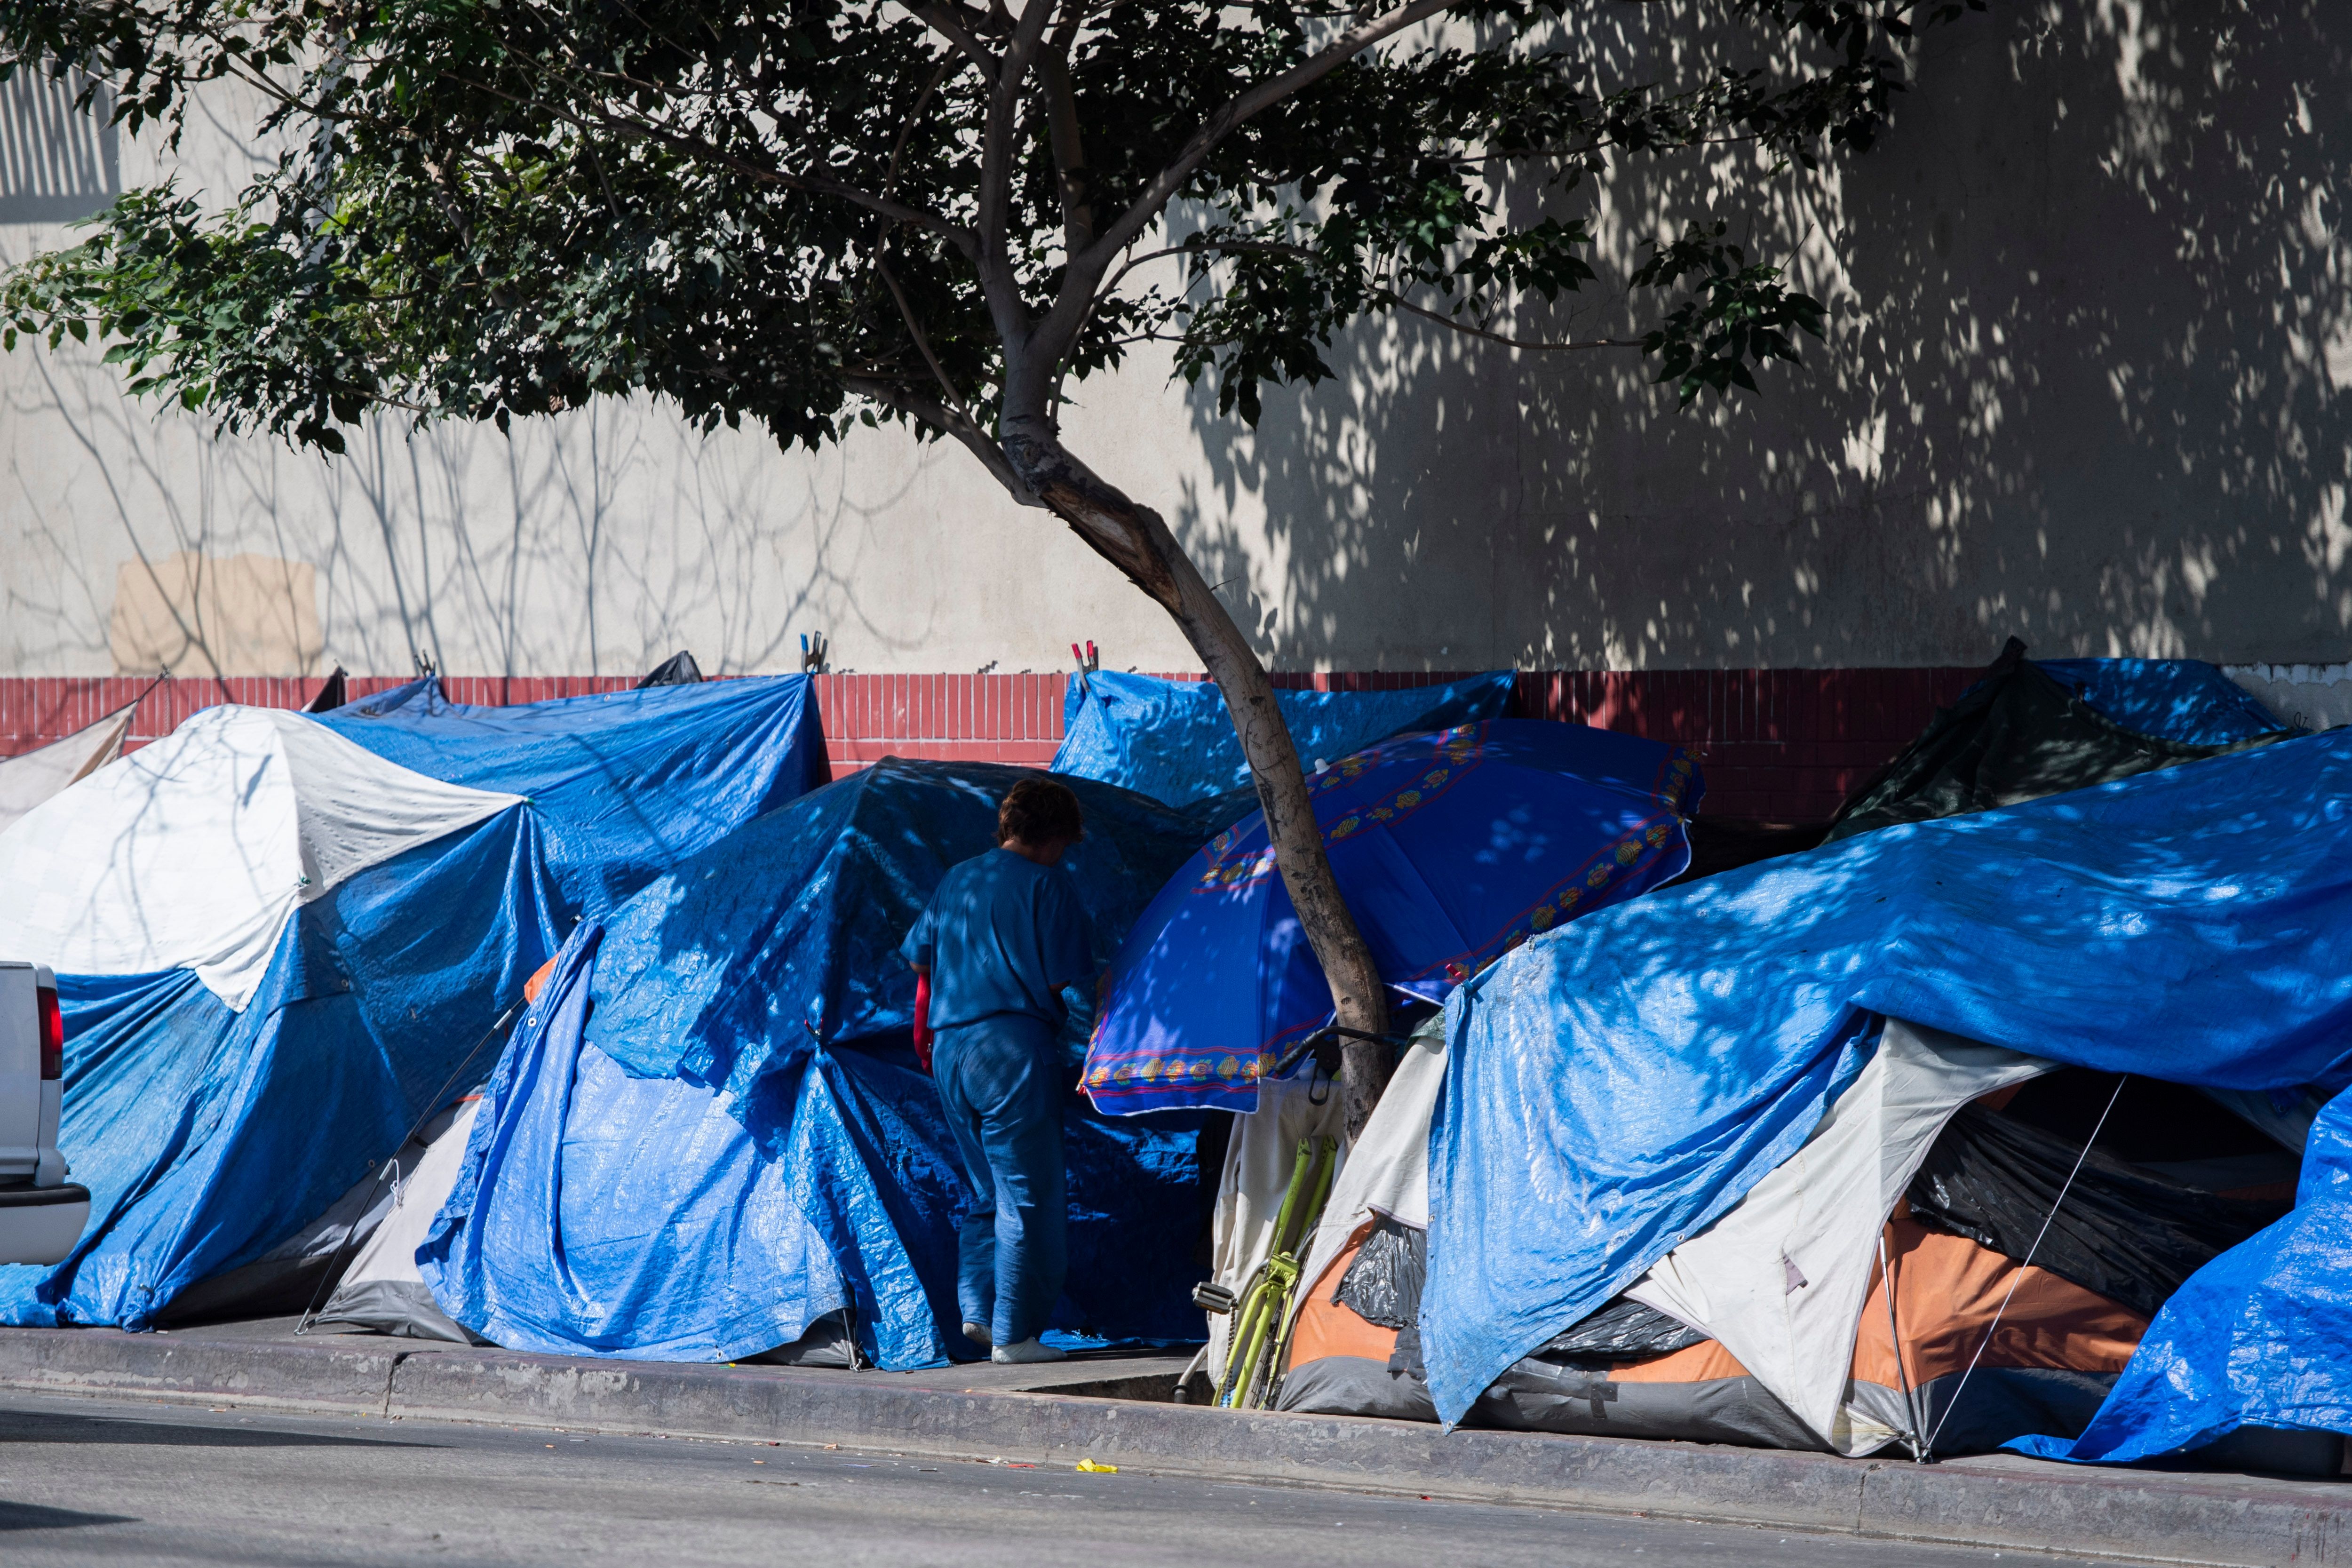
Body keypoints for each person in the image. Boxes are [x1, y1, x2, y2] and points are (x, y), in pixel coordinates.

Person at [899, 777, 1096, 1365]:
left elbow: (918, 959)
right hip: (1010, 1051)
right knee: (1027, 1198)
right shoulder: (1048, 884)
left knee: (987, 1191)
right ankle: (1014, 1336)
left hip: (949, 1052)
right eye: (1065, 842)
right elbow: (1068, 982)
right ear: (1055, 836)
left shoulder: (959, 877)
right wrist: (1095, 1048)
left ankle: (978, 1312)